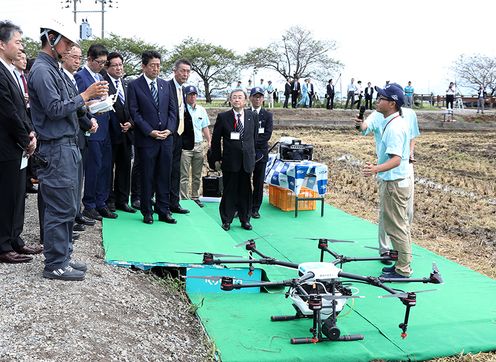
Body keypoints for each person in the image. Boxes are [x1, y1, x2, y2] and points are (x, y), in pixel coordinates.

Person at [29, 20, 107, 280]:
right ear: (51, 37)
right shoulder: (42, 70)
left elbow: (66, 106)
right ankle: (54, 264)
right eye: (68, 42)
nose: (71, 47)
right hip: (56, 148)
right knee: (59, 208)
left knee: (69, 205)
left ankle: (64, 257)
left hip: (68, 145)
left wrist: (85, 108)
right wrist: (85, 96)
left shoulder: (52, 69)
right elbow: (54, 110)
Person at [356, 83, 412, 278]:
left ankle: (403, 269)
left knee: (395, 226)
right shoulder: (391, 122)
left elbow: (396, 160)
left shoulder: (394, 127)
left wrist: (375, 169)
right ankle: (401, 263)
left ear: (392, 103)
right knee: (396, 224)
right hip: (394, 180)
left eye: (382, 98)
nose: (378, 101)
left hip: (394, 182)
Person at [0, 20, 42, 264]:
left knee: (17, 195)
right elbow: (7, 111)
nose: (21, 47)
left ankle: (15, 239)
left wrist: (31, 132)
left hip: (19, 144)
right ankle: (3, 244)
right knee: (6, 196)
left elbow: (22, 109)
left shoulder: (12, 71)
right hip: (6, 145)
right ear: (2, 44)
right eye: (17, 42)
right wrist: (26, 137)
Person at [127, 50, 177, 225]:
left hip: (166, 139)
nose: (156, 69)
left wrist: (170, 130)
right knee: (147, 176)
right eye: (152, 65)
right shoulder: (134, 86)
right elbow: (135, 113)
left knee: (164, 175)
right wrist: (150, 131)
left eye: (158, 65)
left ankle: (164, 210)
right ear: (144, 66)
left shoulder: (165, 85)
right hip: (147, 140)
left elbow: (173, 111)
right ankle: (147, 210)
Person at [60, 45, 98, 238]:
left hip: (80, 133)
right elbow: (71, 106)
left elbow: (80, 105)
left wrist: (90, 118)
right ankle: (71, 217)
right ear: (64, 56)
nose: (77, 61)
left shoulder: (72, 78)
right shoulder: (61, 77)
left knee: (77, 179)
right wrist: (87, 121)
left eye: (79, 57)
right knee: (69, 182)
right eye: (74, 57)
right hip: (69, 135)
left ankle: (75, 214)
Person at [75, 44, 116, 220]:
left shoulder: (100, 76)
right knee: (93, 167)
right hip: (91, 127)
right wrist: (92, 106)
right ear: (90, 59)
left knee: (105, 167)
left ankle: (101, 202)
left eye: (104, 62)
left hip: (104, 125)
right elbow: (78, 103)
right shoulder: (80, 76)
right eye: (99, 62)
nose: (101, 65)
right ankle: (89, 204)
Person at [211, 89, 257, 231]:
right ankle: (227, 219)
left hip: (247, 161)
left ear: (245, 100)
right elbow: (216, 140)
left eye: (240, 97)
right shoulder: (224, 117)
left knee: (246, 191)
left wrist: (252, 155)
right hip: (230, 161)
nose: (237, 100)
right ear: (230, 100)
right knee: (229, 191)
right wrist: (217, 159)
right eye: (234, 97)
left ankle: (245, 219)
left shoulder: (252, 116)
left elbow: (254, 138)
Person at [103, 52, 136, 213]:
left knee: (124, 168)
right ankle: (109, 200)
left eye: (120, 65)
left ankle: (122, 200)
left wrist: (131, 123)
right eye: (115, 65)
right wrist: (117, 125)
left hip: (126, 133)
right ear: (107, 66)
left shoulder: (127, 84)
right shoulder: (103, 83)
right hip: (110, 133)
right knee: (108, 168)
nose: (118, 68)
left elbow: (134, 108)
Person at [168, 59, 193, 215]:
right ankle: (161, 203)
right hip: (168, 135)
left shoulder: (182, 90)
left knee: (176, 171)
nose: (185, 74)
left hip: (180, 136)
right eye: (182, 70)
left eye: (188, 71)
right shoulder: (166, 87)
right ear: (175, 71)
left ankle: (174, 202)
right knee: (165, 170)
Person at [180, 85, 211, 207]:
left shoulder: (201, 110)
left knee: (197, 174)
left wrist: (209, 141)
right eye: (190, 95)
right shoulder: (182, 109)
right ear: (185, 96)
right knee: (184, 174)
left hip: (198, 145)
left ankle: (195, 196)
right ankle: (183, 198)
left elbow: (205, 126)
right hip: (185, 146)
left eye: (194, 95)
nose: (192, 97)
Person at [249, 87, 273, 219]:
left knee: (258, 182)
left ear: (263, 99)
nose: (257, 99)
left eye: (260, 97)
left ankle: (255, 208)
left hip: (261, 154)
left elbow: (267, 135)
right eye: (255, 96)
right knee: (243, 182)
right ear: (250, 98)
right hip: (246, 154)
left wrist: (251, 143)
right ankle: (241, 206)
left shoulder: (268, 115)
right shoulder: (245, 113)